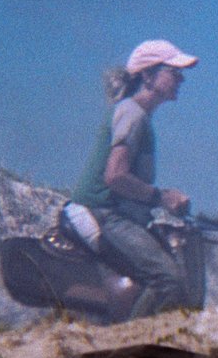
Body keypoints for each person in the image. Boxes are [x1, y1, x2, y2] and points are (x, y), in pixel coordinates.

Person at [65, 39, 204, 315]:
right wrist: (162, 198)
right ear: (148, 76)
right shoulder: (133, 114)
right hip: (103, 213)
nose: (181, 79)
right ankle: (129, 338)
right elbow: (115, 176)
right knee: (168, 281)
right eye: (173, 72)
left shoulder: (139, 116)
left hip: (115, 213)